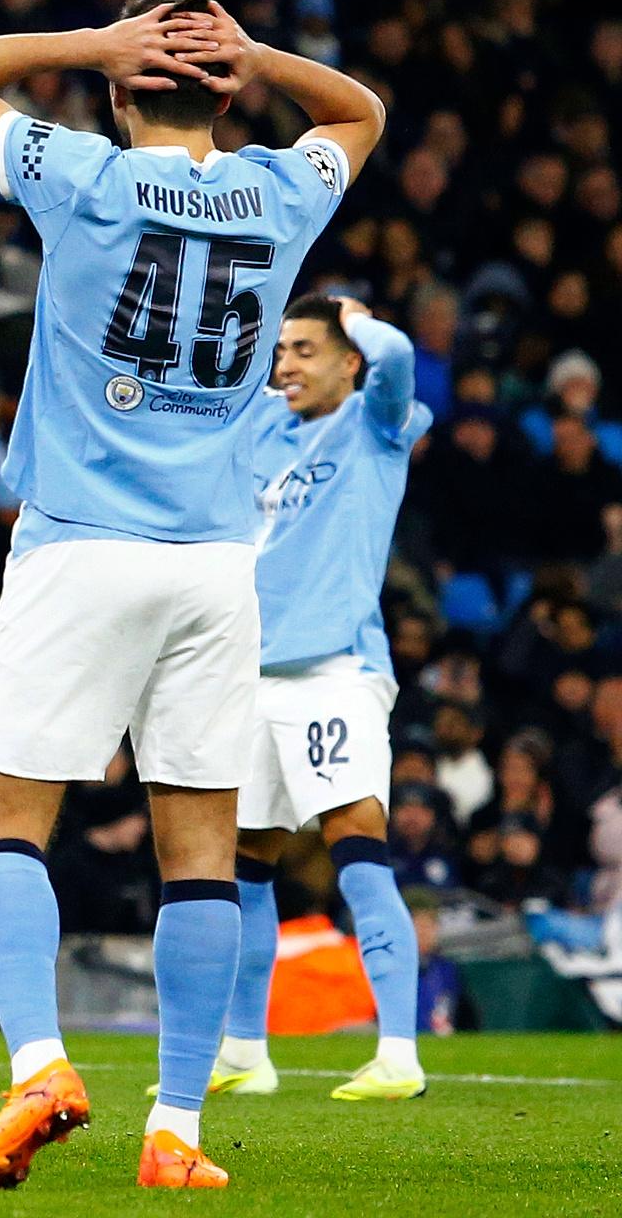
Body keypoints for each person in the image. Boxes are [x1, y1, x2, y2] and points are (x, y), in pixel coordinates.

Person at [0, 0, 384, 1189]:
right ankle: (176, 1128)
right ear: (222, 92)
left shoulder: (84, 177)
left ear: (121, 88)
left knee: (7, 821)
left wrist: (83, 45)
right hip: (218, 567)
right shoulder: (280, 191)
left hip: (79, 546)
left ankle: (39, 1065)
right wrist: (256, 58)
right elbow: (364, 112)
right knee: (202, 852)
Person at [219, 297, 433, 1101]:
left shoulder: (378, 425)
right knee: (246, 863)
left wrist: (355, 315)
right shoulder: (265, 427)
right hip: (251, 672)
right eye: (283, 351)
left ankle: (400, 1054)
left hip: (334, 670)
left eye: (307, 350)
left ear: (350, 362)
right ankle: (244, 1051)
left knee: (356, 846)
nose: (287, 365)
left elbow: (400, 359)